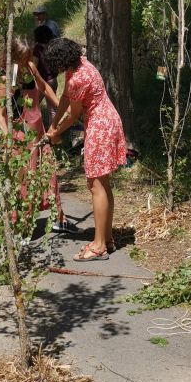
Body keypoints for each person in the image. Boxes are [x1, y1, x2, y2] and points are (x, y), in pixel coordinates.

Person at [44, 38, 127, 260]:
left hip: (101, 127)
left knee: (95, 184)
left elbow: (73, 114)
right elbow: (64, 97)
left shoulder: (78, 77)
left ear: (61, 62)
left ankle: (98, 245)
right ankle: (106, 238)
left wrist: (56, 132)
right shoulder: (80, 64)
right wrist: (53, 126)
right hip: (107, 121)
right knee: (102, 183)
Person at [0, 39, 70, 232]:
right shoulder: (8, 78)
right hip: (22, 137)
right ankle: (22, 224)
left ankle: (59, 217)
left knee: (48, 173)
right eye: (23, 57)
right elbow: (0, 114)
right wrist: (8, 138)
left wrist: (64, 111)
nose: (27, 60)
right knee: (25, 179)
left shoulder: (29, 68)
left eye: (28, 56)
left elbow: (44, 88)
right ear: (12, 58)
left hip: (39, 133)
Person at [32, 25, 59, 127]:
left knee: (33, 106)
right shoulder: (52, 47)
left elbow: (34, 65)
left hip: (41, 81)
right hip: (52, 80)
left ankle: (35, 130)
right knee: (52, 109)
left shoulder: (38, 48)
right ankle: (53, 132)